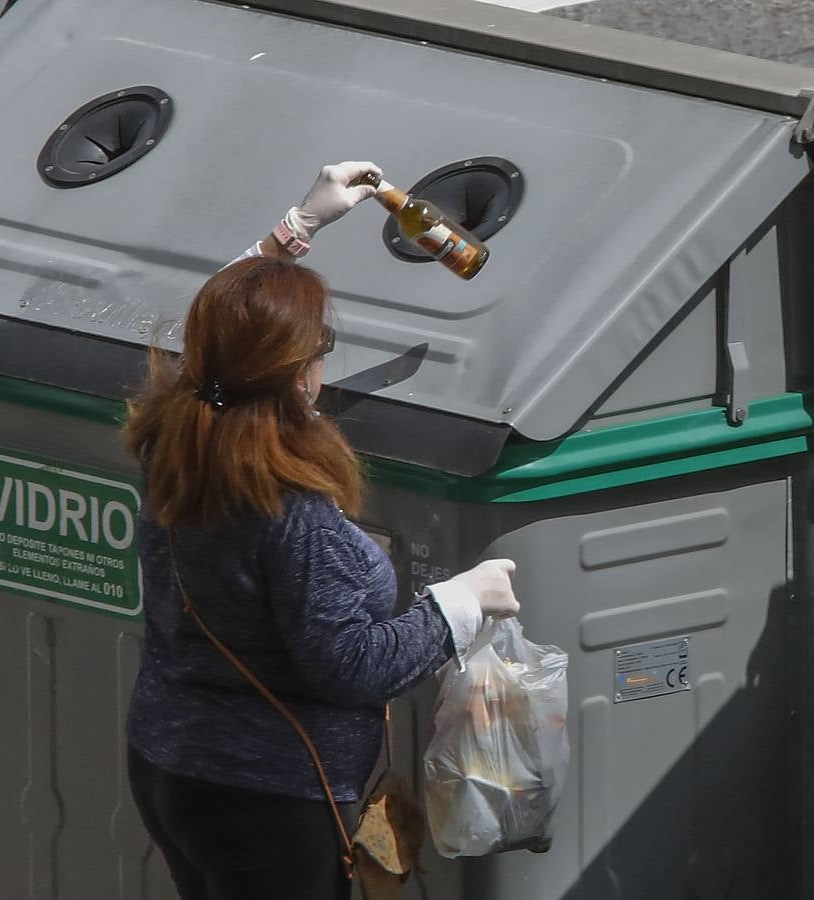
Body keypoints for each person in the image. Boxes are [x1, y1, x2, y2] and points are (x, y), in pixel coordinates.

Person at [122, 162, 520, 900]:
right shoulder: (288, 504)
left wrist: (294, 229)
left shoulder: (174, 430)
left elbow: (212, 340)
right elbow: (352, 666)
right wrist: (463, 603)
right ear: (298, 371)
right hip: (270, 798)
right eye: (321, 343)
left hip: (169, 762)